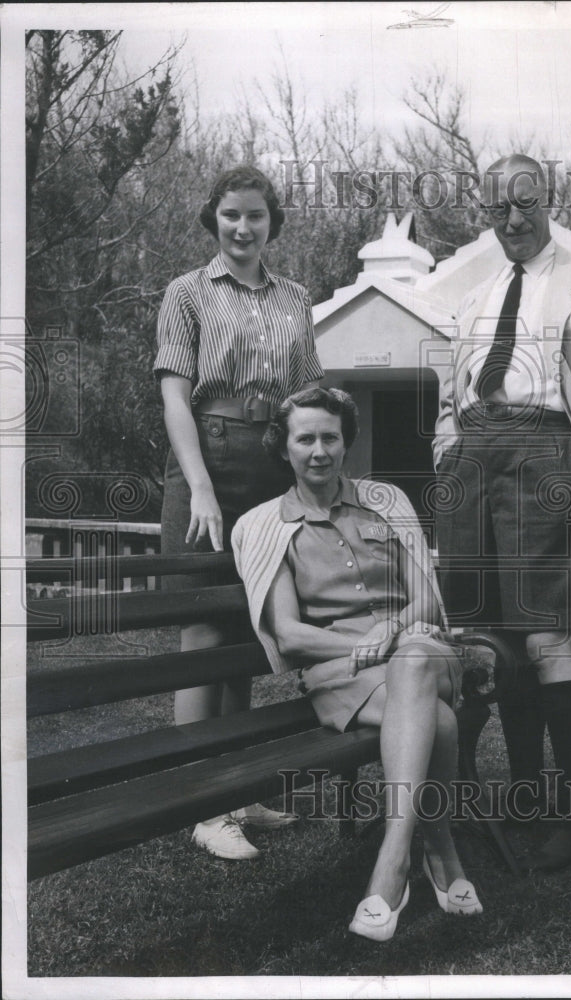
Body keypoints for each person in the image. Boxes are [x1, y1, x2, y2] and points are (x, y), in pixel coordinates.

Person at [434, 154, 571, 872]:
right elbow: (450, 396)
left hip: (548, 460)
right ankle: (524, 797)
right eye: (498, 208)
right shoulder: (474, 295)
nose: (514, 219)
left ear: (548, 200)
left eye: (525, 203)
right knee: (493, 641)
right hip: (475, 469)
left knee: (549, 642)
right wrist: (449, 456)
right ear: (484, 212)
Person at [231, 387, 482, 941]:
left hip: (421, 647)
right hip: (343, 676)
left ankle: (391, 861)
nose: (319, 450)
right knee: (436, 721)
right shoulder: (265, 526)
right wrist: (361, 649)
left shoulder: (386, 501)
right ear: (284, 447)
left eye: (330, 437)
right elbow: (290, 635)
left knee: (415, 658)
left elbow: (425, 597)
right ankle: (439, 848)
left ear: (346, 442)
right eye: (305, 439)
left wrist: (390, 631)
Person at [154, 165, 324, 860]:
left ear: (271, 223)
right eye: (230, 215)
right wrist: (198, 486)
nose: (243, 227)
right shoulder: (185, 294)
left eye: (255, 215)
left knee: (251, 633)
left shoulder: (296, 299)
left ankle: (238, 790)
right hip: (207, 459)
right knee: (201, 630)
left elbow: (309, 396)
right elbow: (174, 396)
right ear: (213, 219)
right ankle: (200, 806)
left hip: (270, 464)